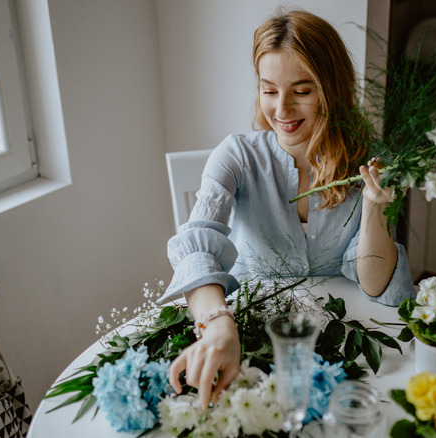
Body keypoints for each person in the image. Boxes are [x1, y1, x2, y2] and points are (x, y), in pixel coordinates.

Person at [165, 9, 414, 409]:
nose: (281, 109)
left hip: (345, 340)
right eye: (268, 90)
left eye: (302, 90)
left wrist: (374, 208)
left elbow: (374, 283)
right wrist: (217, 326)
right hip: (246, 334)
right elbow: (197, 248)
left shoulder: (370, 162)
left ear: (332, 89)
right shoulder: (236, 156)